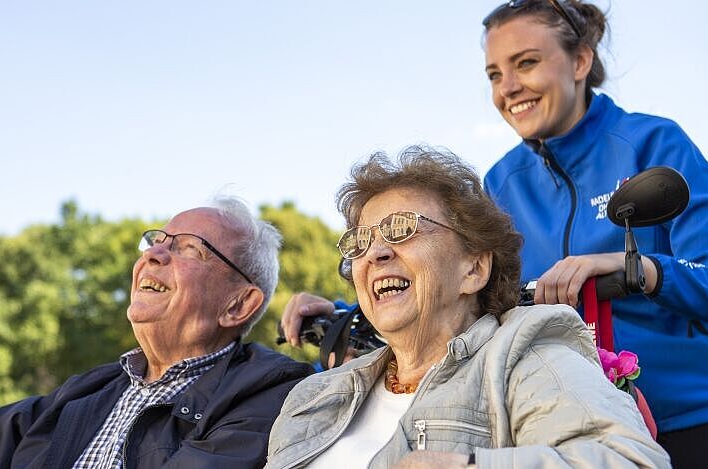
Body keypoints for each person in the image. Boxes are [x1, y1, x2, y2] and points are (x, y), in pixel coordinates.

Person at [282, 2, 708, 467]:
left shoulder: (652, 142)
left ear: (579, 63)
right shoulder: (501, 182)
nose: (507, 87)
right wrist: (344, 312)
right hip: (574, 420)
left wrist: (636, 270)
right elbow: (461, 291)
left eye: (526, 63)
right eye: (493, 73)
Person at [267, 147, 670, 468]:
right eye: (360, 242)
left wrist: (468, 466)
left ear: (474, 268)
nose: (375, 253)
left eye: (402, 228)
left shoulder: (522, 353)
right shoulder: (312, 395)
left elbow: (629, 460)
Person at [0, 197, 314, 469]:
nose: (154, 254)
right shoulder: (83, 392)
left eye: (187, 247)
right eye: (155, 241)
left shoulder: (272, 393)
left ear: (238, 304)